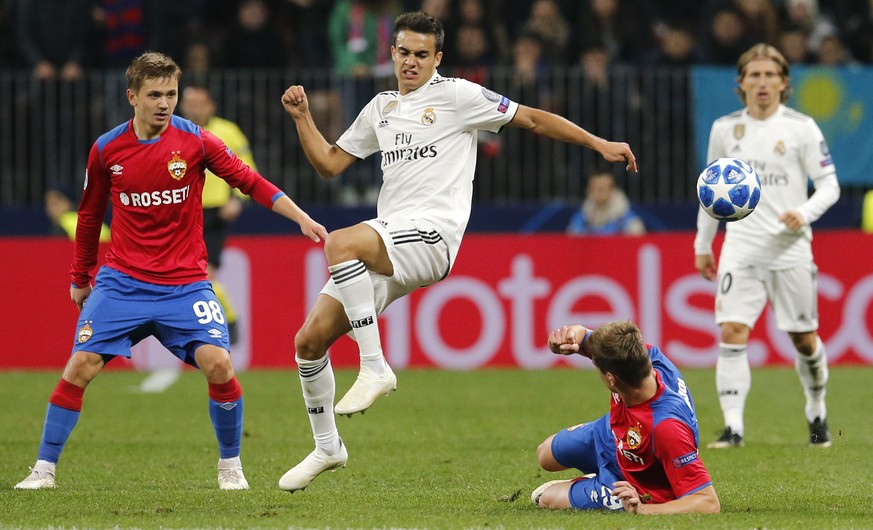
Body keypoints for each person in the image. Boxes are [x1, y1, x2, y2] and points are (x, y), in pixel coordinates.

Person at [278, 11, 637, 492]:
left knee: (340, 241)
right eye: (404, 52)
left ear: (437, 58)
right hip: (389, 237)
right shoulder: (380, 107)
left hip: (431, 234)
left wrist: (597, 142)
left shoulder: (457, 96)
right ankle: (327, 447)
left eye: (421, 55)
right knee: (308, 342)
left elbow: (531, 118)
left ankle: (374, 365)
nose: (410, 62)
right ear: (393, 52)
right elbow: (329, 164)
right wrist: (303, 119)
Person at [13, 51, 327, 491]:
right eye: (155, 95)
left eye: (171, 94)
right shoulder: (107, 149)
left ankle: (230, 467)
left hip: (185, 285)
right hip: (122, 283)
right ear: (132, 97)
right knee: (80, 366)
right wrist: (80, 277)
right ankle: (43, 470)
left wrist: (300, 217)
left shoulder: (196, 141)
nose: (165, 103)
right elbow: (87, 218)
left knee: (219, 363)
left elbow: (249, 180)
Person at [694, 43, 840, 449]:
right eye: (754, 75)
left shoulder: (801, 127)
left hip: (790, 248)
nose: (762, 82)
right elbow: (711, 192)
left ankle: (816, 407)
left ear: (783, 83)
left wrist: (804, 213)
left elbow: (830, 185)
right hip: (740, 246)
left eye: (770, 75)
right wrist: (703, 243)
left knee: (804, 340)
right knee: (732, 331)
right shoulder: (725, 129)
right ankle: (733, 428)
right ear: (741, 83)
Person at [531, 320, 720, 514]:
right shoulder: (644, 357)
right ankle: (596, 475)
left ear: (611, 379)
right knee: (544, 454)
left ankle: (599, 483)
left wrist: (643, 510)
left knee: (546, 498)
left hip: (638, 477)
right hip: (610, 434)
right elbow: (583, 336)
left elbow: (707, 502)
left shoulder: (666, 428)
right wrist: (569, 338)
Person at [180, 83, 256, 345]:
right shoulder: (175, 131)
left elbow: (247, 168)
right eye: (190, 104)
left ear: (210, 105)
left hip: (214, 212)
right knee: (188, 273)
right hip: (183, 211)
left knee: (204, 273)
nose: (195, 109)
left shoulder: (227, 131)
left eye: (200, 104)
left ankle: (230, 321)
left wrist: (237, 199)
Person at [566, 171, 645, 236]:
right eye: (594, 188)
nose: (597, 192)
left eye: (602, 189)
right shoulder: (581, 218)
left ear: (612, 190)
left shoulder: (627, 220)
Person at [44, 186, 111, 243]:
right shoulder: (91, 219)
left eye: (54, 204)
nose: (50, 209)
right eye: (48, 204)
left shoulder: (63, 224)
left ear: (68, 203)